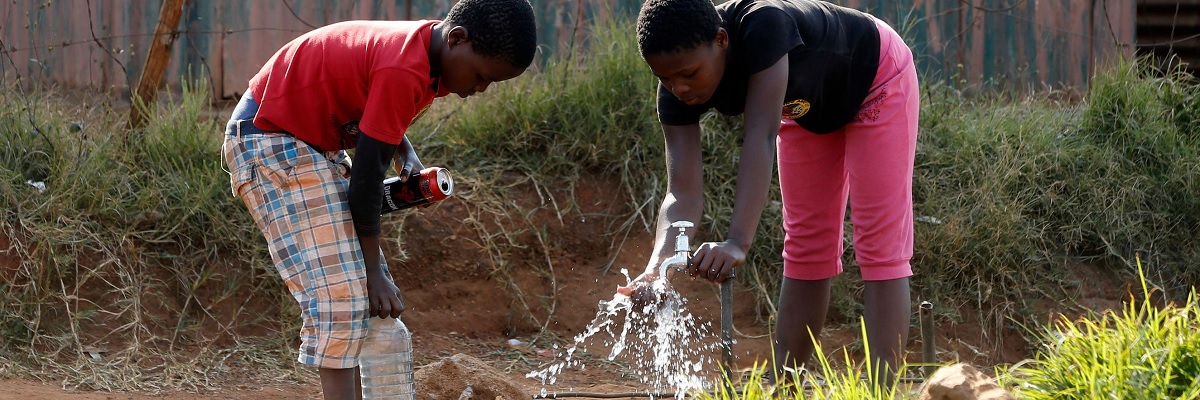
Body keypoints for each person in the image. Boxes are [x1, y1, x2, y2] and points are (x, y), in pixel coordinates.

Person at [221, 1, 537, 398]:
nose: (479, 89)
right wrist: (374, 272)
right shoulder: (406, 67)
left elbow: (369, 99)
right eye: (480, 76)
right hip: (272, 140)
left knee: (355, 297)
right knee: (342, 295)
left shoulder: (427, 54)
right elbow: (366, 184)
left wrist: (401, 148)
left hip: (309, 141)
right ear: (457, 39)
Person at [616, 0, 918, 387]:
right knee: (808, 245)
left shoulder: (763, 25)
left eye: (688, 73)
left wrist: (737, 242)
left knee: (879, 245)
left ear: (721, 40)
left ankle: (882, 390)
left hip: (875, 79)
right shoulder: (675, 88)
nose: (680, 88)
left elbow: (758, 137)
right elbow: (681, 193)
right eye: (667, 79)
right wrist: (658, 270)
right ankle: (784, 387)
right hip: (802, 107)